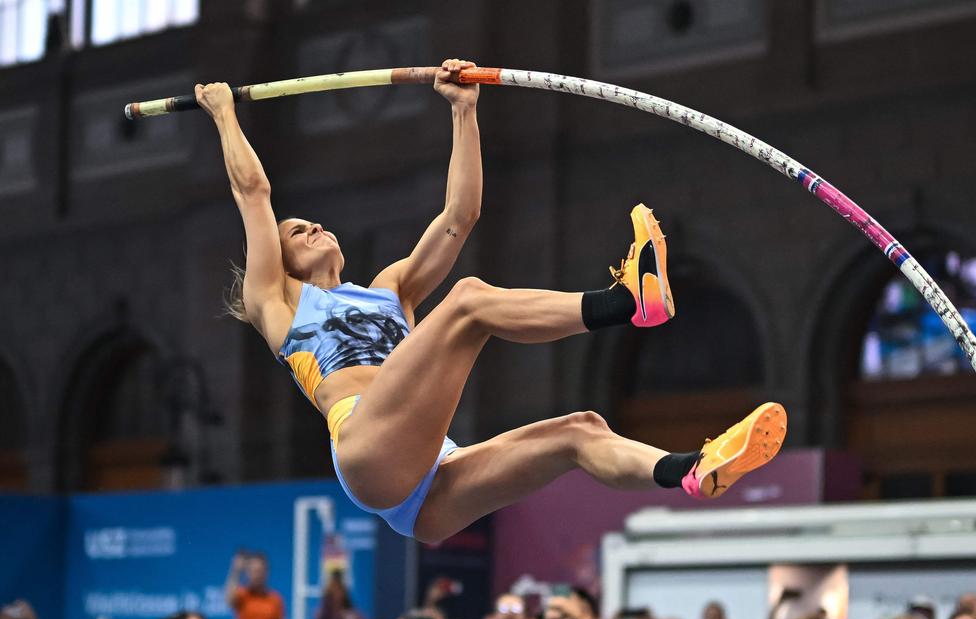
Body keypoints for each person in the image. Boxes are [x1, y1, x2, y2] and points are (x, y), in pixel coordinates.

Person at [196, 58, 787, 545]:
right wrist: (224, 114)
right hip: (368, 452)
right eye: (297, 232)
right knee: (469, 301)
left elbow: (460, 217)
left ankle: (690, 470)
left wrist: (464, 112)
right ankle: (626, 303)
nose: (312, 229)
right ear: (280, 260)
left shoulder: (390, 289)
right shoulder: (277, 302)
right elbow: (254, 191)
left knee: (579, 431)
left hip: (431, 481)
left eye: (313, 224)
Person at [225, 552, 285, 619]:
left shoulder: (275, 598)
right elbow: (229, 601)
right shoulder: (242, 594)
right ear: (246, 573)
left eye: (259, 571)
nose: (256, 575)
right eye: (252, 571)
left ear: (266, 572)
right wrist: (236, 571)